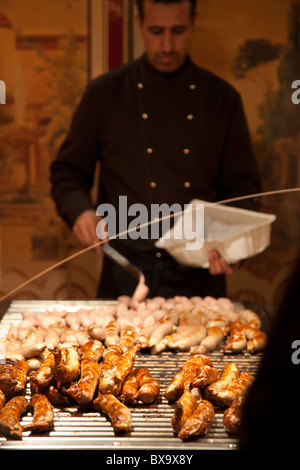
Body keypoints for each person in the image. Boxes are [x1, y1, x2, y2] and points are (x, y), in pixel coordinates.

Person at [50, 0, 261, 299]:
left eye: (178, 31)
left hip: (200, 278)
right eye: (156, 31)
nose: (167, 45)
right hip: (126, 273)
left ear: (193, 22)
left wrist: (234, 244)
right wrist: (81, 211)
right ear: (139, 24)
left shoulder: (222, 99)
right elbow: (67, 172)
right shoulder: (105, 94)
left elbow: (244, 189)